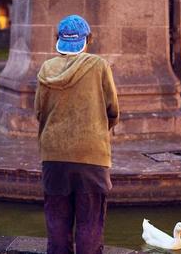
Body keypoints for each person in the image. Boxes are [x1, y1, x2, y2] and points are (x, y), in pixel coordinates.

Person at [34, 14, 119, 254]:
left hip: (53, 158)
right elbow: (112, 110)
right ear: (87, 40)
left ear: (58, 40)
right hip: (92, 158)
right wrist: (96, 130)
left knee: (57, 223)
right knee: (90, 223)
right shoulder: (99, 66)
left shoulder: (46, 69)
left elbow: (39, 111)